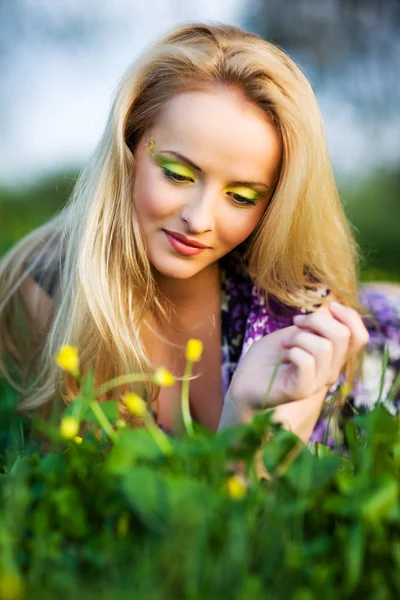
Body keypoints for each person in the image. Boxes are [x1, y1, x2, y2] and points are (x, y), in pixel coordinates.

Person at [0, 22, 399, 454]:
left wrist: (246, 414)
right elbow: (87, 486)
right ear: (129, 146)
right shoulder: (47, 284)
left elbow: (250, 510)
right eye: (176, 174)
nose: (199, 219)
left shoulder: (297, 318)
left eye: (242, 197)